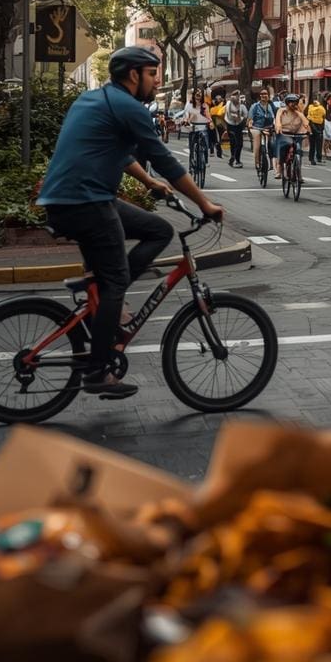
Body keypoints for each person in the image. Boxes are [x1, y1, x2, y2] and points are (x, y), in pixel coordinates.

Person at [37, 47, 223, 400]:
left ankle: (105, 302)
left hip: (71, 200)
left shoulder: (95, 99)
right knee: (116, 279)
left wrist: (149, 182)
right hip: (86, 203)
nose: (156, 81)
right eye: (152, 74)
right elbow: (164, 159)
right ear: (134, 75)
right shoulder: (129, 107)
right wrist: (205, 204)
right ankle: (98, 370)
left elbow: (121, 154)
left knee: (159, 230)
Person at [273, 93, 310, 179]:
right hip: (284, 134)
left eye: (295, 102)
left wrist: (300, 114)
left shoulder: (299, 112)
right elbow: (278, 120)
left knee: (298, 151)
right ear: (287, 103)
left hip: (296, 135)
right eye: (290, 102)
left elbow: (306, 124)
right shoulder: (282, 111)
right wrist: (278, 126)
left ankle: (299, 174)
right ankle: (279, 168)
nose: (293, 104)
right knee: (282, 149)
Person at [249, 88, 274, 171]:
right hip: (257, 127)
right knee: (257, 144)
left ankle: (272, 163)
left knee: (271, 144)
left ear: (268, 95)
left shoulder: (271, 105)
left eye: (265, 94)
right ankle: (257, 162)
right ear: (259, 96)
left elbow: (275, 116)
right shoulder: (255, 106)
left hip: (268, 127)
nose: (264, 95)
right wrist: (250, 123)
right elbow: (250, 118)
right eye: (262, 94)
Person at [224, 91, 249, 167]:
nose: (237, 98)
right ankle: (233, 158)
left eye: (238, 96)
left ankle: (236, 159)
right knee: (233, 141)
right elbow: (230, 115)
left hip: (239, 125)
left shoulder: (242, 105)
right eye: (235, 96)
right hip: (230, 124)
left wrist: (242, 119)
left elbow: (245, 115)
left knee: (240, 143)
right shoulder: (229, 104)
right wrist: (237, 115)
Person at [305, 95, 326, 165]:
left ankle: (313, 158)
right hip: (317, 128)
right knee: (317, 144)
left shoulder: (310, 108)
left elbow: (309, 118)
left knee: (313, 144)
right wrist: (321, 129)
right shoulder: (321, 108)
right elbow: (323, 117)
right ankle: (316, 158)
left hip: (314, 127)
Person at [208, 92, 226, 159]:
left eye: (220, 99)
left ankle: (219, 153)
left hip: (220, 124)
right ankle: (213, 151)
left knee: (219, 139)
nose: (218, 100)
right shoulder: (212, 108)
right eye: (217, 99)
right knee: (213, 138)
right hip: (213, 124)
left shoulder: (222, 106)